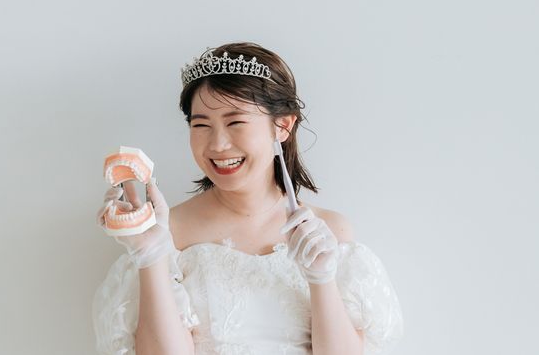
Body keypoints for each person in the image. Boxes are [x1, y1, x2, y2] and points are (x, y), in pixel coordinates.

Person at [93, 42, 404, 355]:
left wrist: (321, 279)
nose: (218, 144)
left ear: (282, 125)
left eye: (235, 122)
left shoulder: (330, 232)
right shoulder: (168, 231)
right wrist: (150, 257)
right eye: (201, 125)